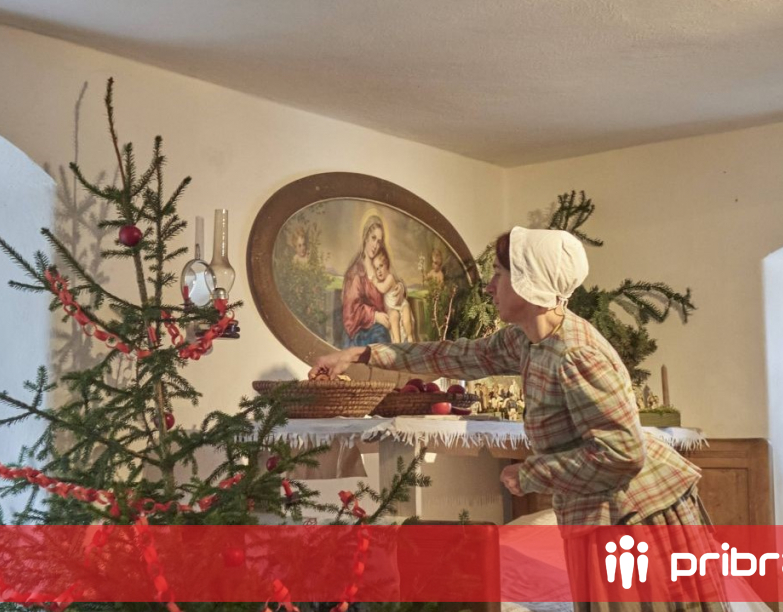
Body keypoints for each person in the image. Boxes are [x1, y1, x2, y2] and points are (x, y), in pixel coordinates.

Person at [311, 227, 729, 612]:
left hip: (635, 515)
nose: (489, 286)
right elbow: (455, 355)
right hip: (599, 508)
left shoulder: (575, 354)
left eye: (499, 273)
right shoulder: (527, 340)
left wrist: (530, 474)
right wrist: (362, 353)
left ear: (530, 282)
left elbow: (623, 453)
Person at [340, 214, 392, 347]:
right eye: (373, 238)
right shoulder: (355, 273)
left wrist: (400, 289)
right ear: (365, 237)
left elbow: (390, 285)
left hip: (379, 327)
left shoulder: (379, 268)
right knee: (381, 337)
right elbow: (351, 311)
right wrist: (375, 316)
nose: (375, 245)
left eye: (379, 241)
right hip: (359, 334)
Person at [371, 248, 415, 343]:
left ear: (387, 265)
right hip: (392, 308)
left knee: (406, 317)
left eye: (381, 266)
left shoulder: (390, 278)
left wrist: (375, 282)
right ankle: (397, 341)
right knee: (393, 318)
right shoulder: (381, 280)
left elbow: (383, 288)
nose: (379, 271)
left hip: (401, 304)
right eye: (376, 269)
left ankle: (410, 336)